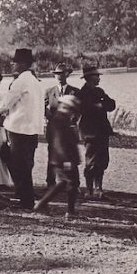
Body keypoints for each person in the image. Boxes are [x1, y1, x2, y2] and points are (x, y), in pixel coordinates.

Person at [0, 48, 45, 210]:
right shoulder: (37, 83)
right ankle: (25, 197)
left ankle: (26, 201)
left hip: (19, 128)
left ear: (22, 64)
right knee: (25, 164)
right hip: (32, 129)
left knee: (18, 164)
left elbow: (5, 104)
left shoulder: (20, 82)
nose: (13, 65)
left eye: (15, 62)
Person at [33, 95, 82, 219]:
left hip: (63, 157)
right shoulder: (60, 119)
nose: (72, 111)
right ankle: (45, 205)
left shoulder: (61, 118)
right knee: (68, 183)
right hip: (63, 158)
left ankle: (66, 210)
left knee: (69, 182)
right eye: (71, 108)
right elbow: (60, 142)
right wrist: (66, 159)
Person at [76, 64, 116, 199]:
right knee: (91, 161)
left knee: (103, 160)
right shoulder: (82, 93)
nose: (99, 78)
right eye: (96, 75)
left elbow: (111, 105)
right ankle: (89, 190)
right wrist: (99, 105)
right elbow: (84, 108)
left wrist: (101, 105)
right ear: (89, 78)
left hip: (102, 131)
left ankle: (99, 189)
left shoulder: (99, 91)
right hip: (90, 133)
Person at [44, 63, 79, 186]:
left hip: (69, 128)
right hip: (54, 129)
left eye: (62, 74)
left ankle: (74, 183)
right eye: (57, 74)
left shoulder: (74, 91)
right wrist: (50, 117)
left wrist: (73, 120)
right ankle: (51, 182)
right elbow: (43, 107)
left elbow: (78, 109)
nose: (59, 76)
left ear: (67, 74)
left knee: (70, 155)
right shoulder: (49, 92)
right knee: (52, 154)